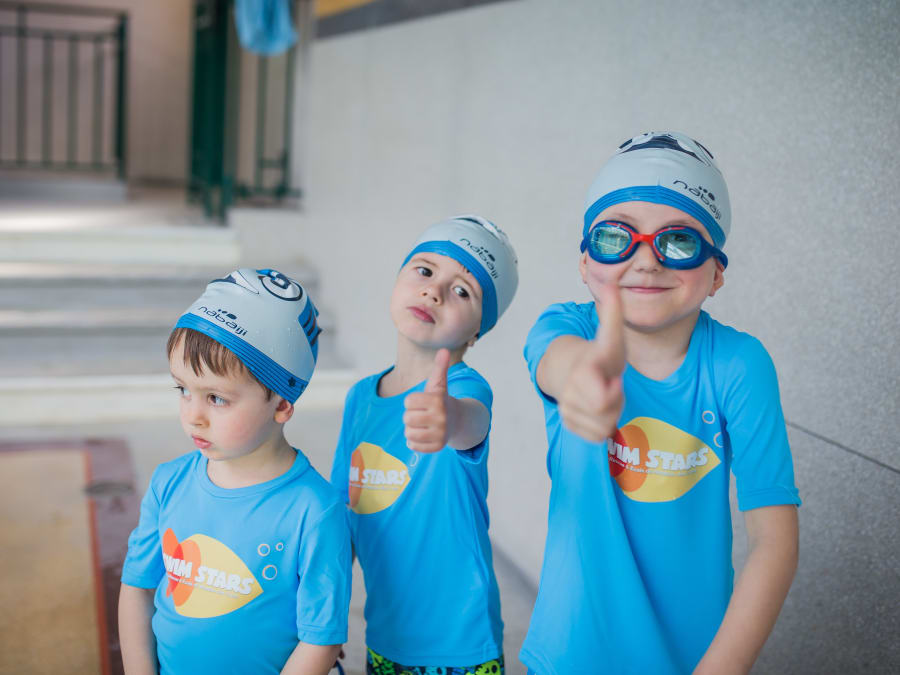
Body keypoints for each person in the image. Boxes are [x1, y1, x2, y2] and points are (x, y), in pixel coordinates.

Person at [520, 132, 801, 675]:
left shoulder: (737, 365)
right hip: (567, 653)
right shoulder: (565, 327)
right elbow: (559, 362)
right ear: (584, 263)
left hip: (694, 660)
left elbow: (775, 541)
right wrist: (580, 381)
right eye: (615, 237)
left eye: (678, 241)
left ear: (717, 272)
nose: (646, 261)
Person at [119, 268, 351, 675]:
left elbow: (322, 640)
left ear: (281, 403)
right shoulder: (168, 483)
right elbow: (137, 590)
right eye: (183, 390)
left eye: (217, 398)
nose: (193, 416)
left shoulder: (314, 510)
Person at [330, 216, 518, 675]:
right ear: (398, 280)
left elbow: (471, 422)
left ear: (477, 332)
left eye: (462, 291)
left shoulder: (467, 388)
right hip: (384, 635)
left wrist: (447, 417)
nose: (434, 291)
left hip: (460, 645)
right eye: (425, 271)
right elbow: (339, 518)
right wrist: (324, 620)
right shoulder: (360, 399)